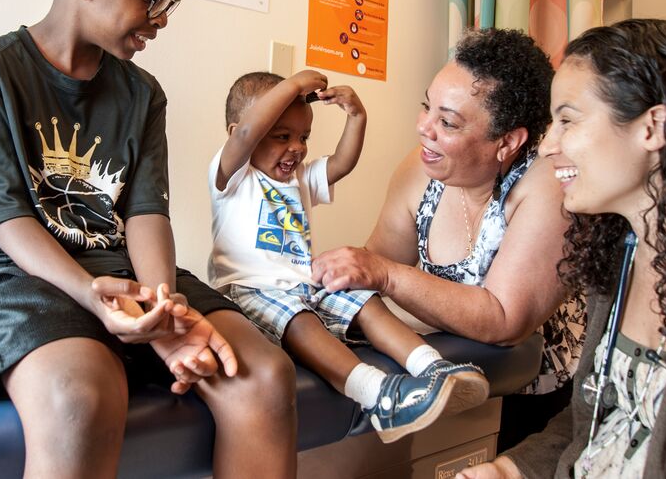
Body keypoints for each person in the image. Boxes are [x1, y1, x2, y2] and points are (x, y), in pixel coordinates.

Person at [0, 0, 297, 478]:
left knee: (262, 374)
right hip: (29, 274)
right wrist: (92, 295)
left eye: (169, 3)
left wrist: (161, 310)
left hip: (129, 274)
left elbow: (145, 213)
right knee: (82, 397)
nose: (160, 20)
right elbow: (8, 221)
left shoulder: (143, 93)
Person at [458, 19, 666, 478]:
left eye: (567, 120)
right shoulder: (620, 264)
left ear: (654, 126)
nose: (548, 147)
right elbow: (597, 422)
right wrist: (511, 470)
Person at [312, 29, 585, 450]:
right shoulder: (421, 171)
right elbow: (375, 263)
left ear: (508, 141)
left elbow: (503, 319)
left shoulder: (547, 184)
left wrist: (386, 276)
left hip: (537, 393)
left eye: (448, 122)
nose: (424, 129)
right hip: (456, 366)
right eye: (427, 107)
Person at [208, 70, 489, 443]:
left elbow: (342, 162)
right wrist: (291, 86)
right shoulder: (231, 177)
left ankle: (434, 368)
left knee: (365, 301)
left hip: (301, 282)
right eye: (281, 136)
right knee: (301, 321)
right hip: (251, 291)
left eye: (303, 137)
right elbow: (247, 134)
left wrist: (357, 117)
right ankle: (378, 396)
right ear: (236, 133)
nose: (296, 147)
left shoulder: (298, 179)